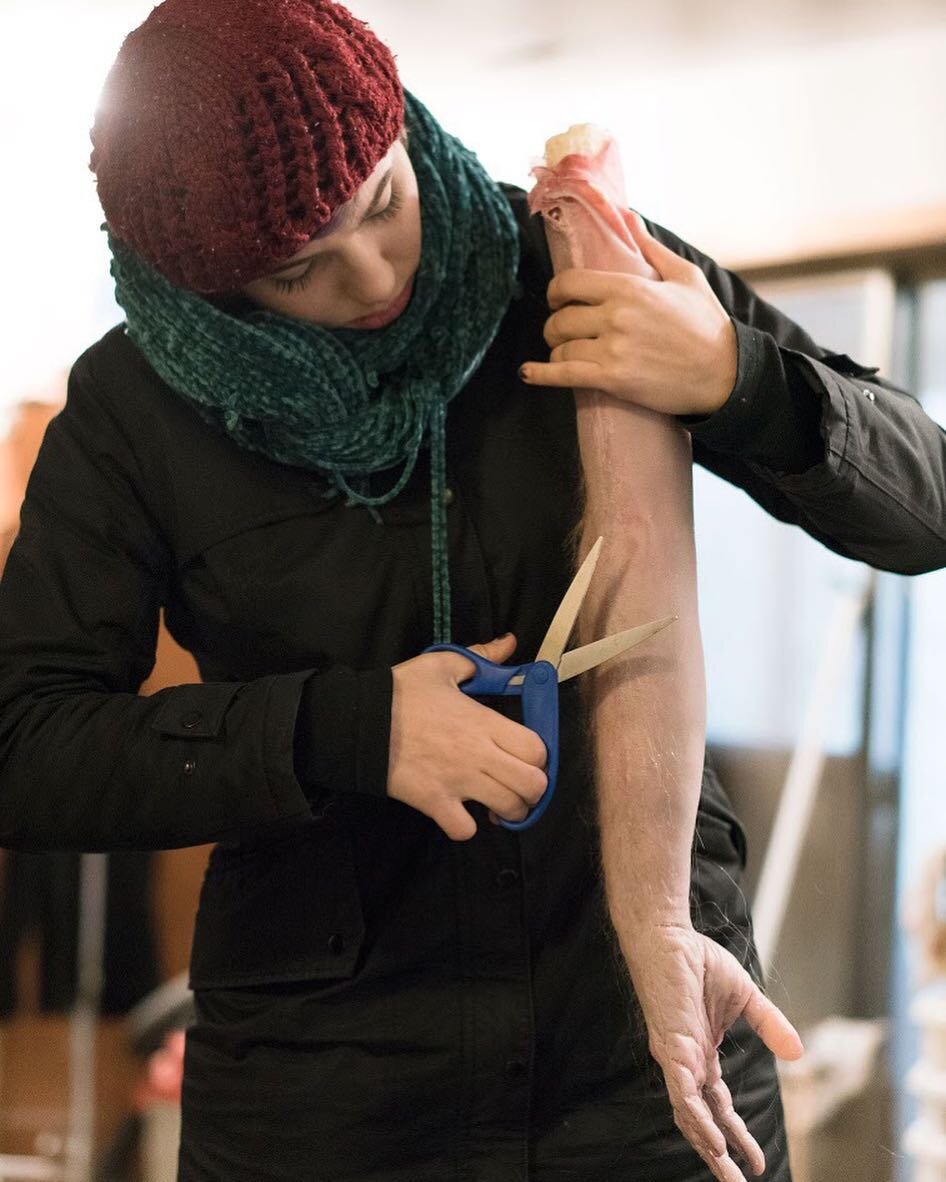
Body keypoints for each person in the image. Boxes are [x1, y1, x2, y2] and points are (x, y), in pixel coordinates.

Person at [0, 1, 943, 1180]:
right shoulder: (133, 408)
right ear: (211, 290)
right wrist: (350, 731)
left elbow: (928, 509)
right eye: (300, 270)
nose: (376, 273)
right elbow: (28, 747)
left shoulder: (583, 258)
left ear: (399, 124)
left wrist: (736, 377)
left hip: (651, 1068)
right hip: (328, 1096)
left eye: (383, 202)